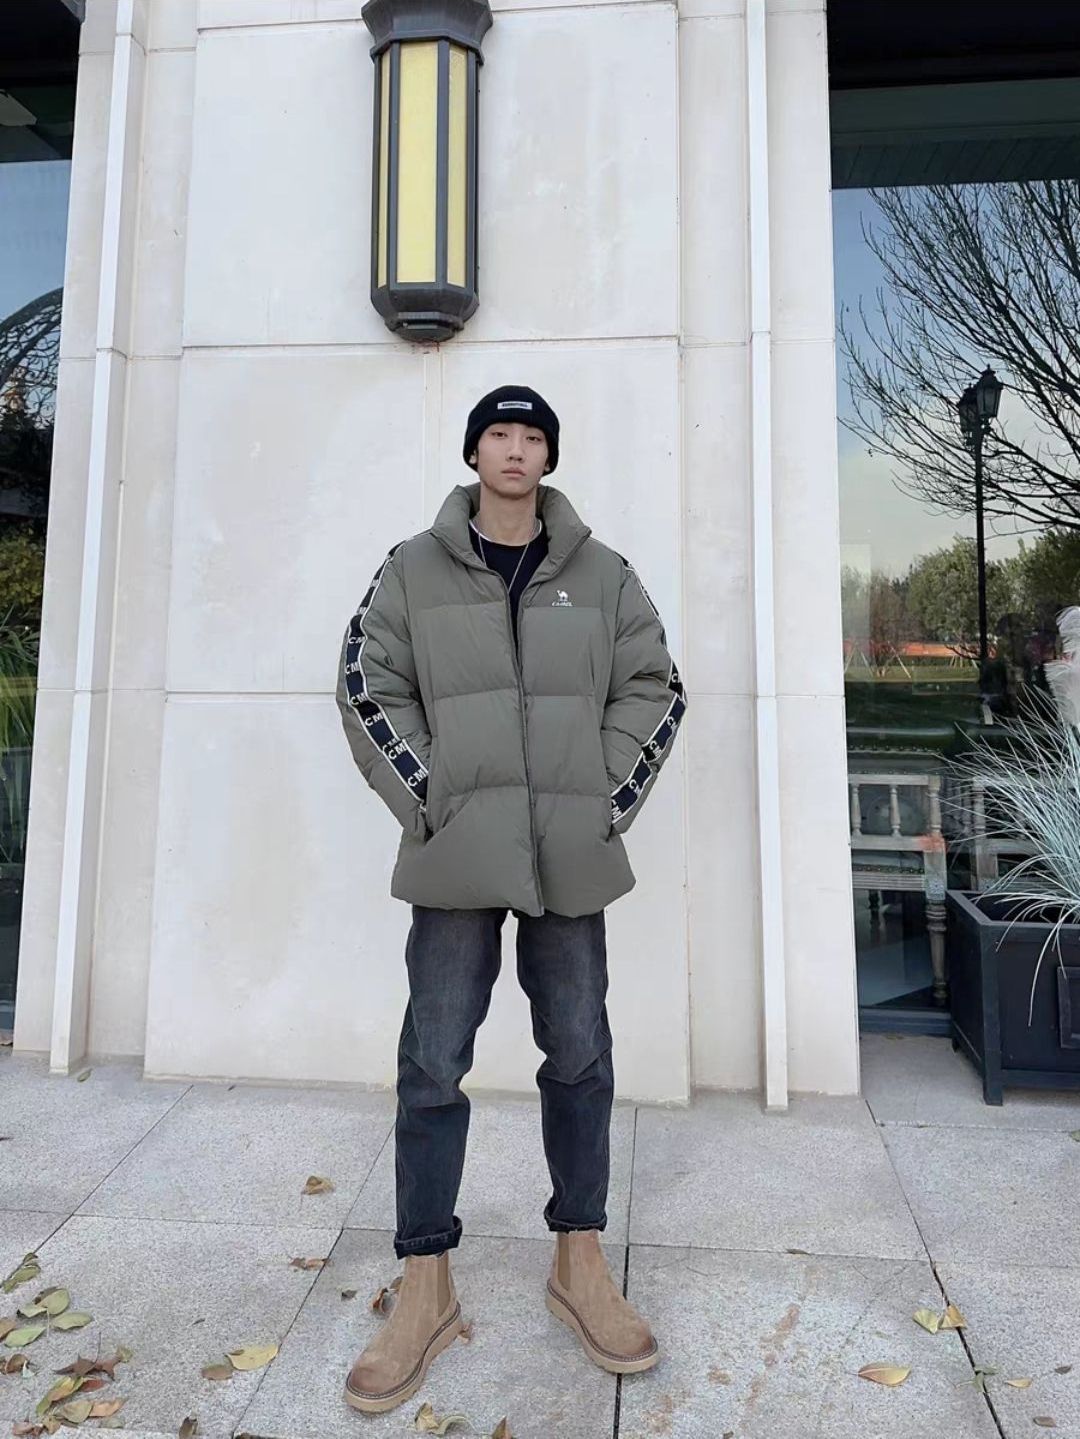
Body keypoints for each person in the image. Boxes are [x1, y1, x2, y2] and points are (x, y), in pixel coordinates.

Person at [334, 384, 687, 1413]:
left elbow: (656, 686)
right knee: (433, 1059)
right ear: (475, 451)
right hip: (458, 857)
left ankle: (580, 1259)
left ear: (549, 456)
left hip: (568, 856)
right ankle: (425, 1279)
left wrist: (603, 801)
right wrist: (433, 799)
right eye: (500, 433)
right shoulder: (411, 567)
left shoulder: (605, 574)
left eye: (533, 436)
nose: (517, 449)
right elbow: (365, 681)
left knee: (579, 1052)